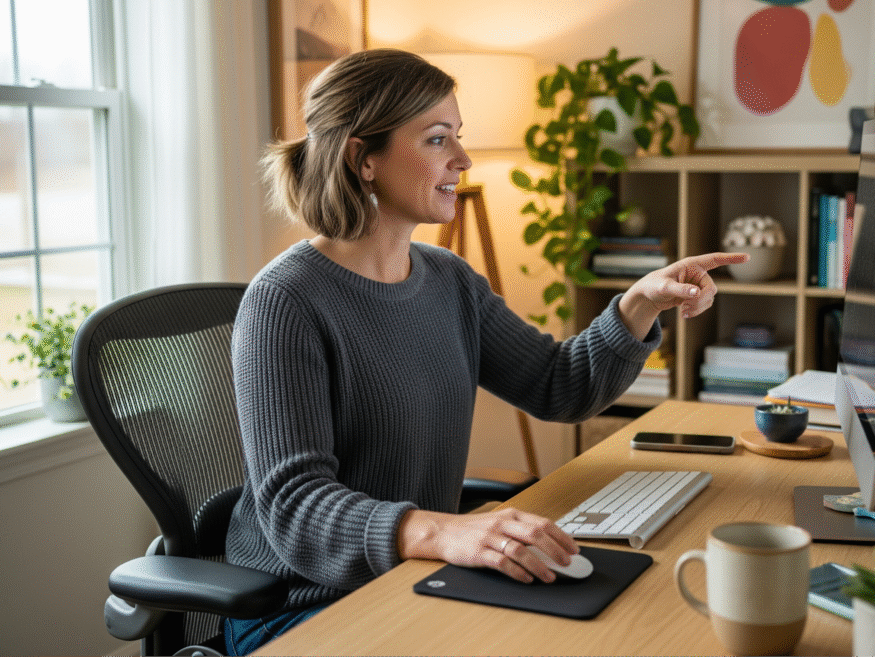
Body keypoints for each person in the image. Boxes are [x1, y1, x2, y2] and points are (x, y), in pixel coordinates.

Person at [224, 48, 747, 654]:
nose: (463, 160)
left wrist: (639, 303)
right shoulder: (284, 302)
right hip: (301, 609)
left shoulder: (448, 279)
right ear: (362, 158)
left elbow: (559, 385)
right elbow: (298, 510)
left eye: (458, 137)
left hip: (414, 579)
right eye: (438, 139)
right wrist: (449, 534)